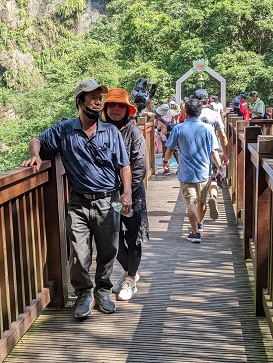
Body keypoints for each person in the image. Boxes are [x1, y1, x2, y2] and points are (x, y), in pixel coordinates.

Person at [20, 79, 132, 318]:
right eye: (91, 98)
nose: (97, 102)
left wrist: (127, 193)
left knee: (108, 249)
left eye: (98, 98)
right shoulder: (65, 130)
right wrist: (35, 156)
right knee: (79, 253)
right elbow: (36, 140)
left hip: (109, 199)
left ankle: (103, 291)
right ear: (79, 102)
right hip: (78, 202)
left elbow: (124, 165)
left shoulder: (111, 131)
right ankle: (84, 293)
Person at [100, 88, 149, 301]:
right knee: (113, 237)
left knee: (132, 235)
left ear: (128, 109)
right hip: (108, 195)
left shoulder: (134, 132)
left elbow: (139, 168)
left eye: (121, 105)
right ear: (106, 108)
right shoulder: (100, 129)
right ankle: (131, 271)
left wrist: (125, 193)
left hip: (131, 195)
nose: (116, 109)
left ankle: (130, 278)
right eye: (112, 105)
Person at [163, 98, 224, 243]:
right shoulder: (208, 129)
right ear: (200, 111)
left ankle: (195, 233)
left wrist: (165, 162)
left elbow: (170, 149)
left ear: (185, 111)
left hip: (186, 172)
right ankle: (200, 223)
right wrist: (220, 168)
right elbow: (214, 152)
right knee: (201, 202)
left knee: (190, 202)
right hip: (204, 172)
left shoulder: (179, 128)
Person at [200, 98, 229, 221]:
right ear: (208, 101)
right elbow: (222, 134)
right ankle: (213, 196)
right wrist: (226, 152)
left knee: (199, 182)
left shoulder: (195, 115)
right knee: (213, 179)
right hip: (212, 150)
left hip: (197, 154)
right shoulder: (215, 114)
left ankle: (199, 204)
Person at [155, 103, 177, 176]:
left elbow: (158, 128)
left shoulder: (161, 119)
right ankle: (180, 168)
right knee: (175, 153)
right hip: (173, 137)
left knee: (165, 153)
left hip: (164, 138)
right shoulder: (172, 118)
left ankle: (166, 170)